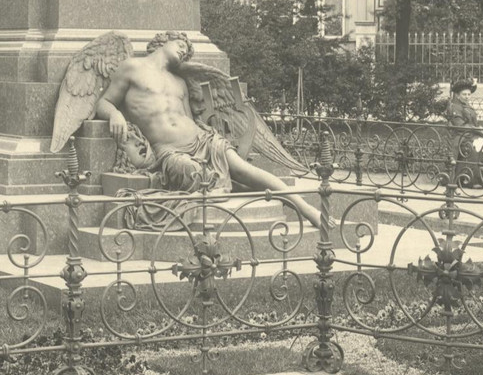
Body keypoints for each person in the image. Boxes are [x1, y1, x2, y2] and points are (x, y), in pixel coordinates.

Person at [92, 33, 321, 229]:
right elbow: (104, 102)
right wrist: (114, 114)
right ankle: (240, 187)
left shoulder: (179, 81)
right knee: (197, 175)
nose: (184, 53)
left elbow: (188, 118)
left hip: (202, 139)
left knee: (244, 169)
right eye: (181, 46)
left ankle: (306, 209)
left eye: (188, 52)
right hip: (170, 151)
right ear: (164, 40)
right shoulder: (133, 67)